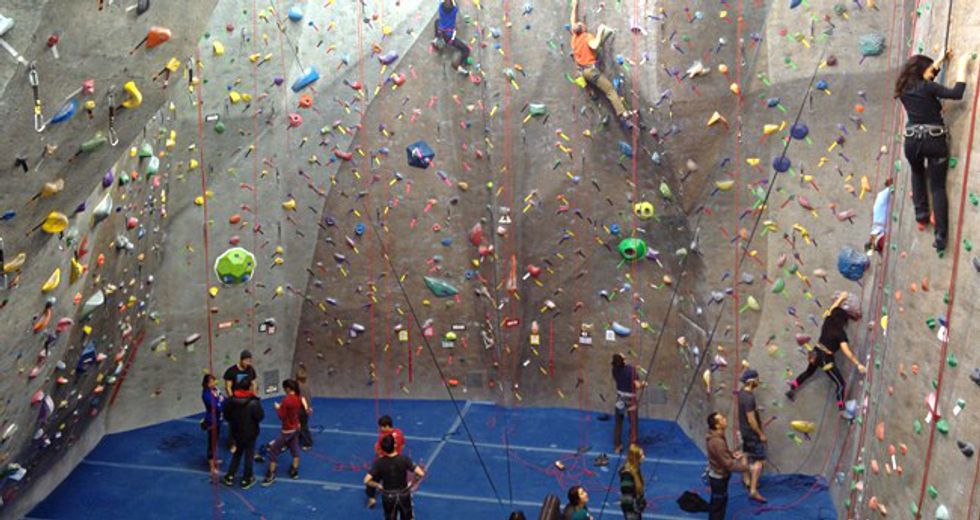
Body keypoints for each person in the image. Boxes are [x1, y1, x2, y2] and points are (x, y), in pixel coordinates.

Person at [895, 50, 973, 252]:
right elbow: (956, 93)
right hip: (934, 140)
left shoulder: (903, 89)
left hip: (912, 142)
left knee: (917, 172)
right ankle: (940, 236)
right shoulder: (928, 87)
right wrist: (963, 66)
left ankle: (921, 215)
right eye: (930, 70)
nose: (933, 73)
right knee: (937, 187)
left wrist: (939, 60)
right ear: (922, 71)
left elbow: (926, 77)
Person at [786, 296, 865, 415]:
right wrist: (858, 364)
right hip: (825, 359)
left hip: (815, 352)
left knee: (808, 372)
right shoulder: (840, 333)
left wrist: (841, 298)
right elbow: (847, 351)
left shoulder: (828, 321)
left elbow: (832, 308)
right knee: (840, 384)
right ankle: (841, 409)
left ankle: (792, 388)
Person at [569, 0, 636, 124]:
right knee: (610, 90)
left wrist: (574, 6)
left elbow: (572, 20)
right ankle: (623, 113)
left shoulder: (574, 37)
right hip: (591, 71)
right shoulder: (586, 37)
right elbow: (594, 45)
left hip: (582, 71)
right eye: (582, 24)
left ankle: (592, 93)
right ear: (583, 29)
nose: (584, 24)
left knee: (600, 88)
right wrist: (600, 30)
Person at [364, 434, 426, 520]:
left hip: (388, 495)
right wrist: (412, 483)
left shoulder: (379, 463)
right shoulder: (404, 459)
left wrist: (378, 485)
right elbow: (421, 473)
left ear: (383, 449)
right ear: (395, 445)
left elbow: (366, 480)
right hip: (403, 493)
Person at [705, 412, 749, 520]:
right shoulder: (717, 442)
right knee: (718, 503)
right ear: (717, 425)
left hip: (719, 475)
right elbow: (729, 465)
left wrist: (732, 454)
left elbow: (721, 454)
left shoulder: (718, 436)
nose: (725, 419)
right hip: (718, 478)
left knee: (720, 500)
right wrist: (748, 468)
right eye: (722, 419)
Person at [261, 379, 303, 486]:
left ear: (288, 388)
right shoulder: (298, 397)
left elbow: (282, 416)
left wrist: (278, 408)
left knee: (273, 451)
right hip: (296, 427)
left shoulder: (287, 400)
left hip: (287, 429)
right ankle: (294, 470)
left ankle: (271, 475)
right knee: (294, 447)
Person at [222, 386, 264, 489]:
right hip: (250, 433)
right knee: (249, 454)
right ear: (248, 388)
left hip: (237, 432)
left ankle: (230, 476)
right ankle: (247, 478)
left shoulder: (231, 401)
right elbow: (260, 417)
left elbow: (226, 416)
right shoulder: (253, 402)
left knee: (238, 453)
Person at [736, 369, 767, 503]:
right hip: (752, 434)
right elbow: (751, 420)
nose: (758, 382)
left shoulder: (742, 393)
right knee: (759, 461)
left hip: (744, 432)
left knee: (745, 454)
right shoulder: (749, 398)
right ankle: (753, 490)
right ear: (751, 381)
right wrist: (761, 434)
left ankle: (746, 480)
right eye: (757, 380)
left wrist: (755, 409)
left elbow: (747, 411)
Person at [367, 415, 407, 508]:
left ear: (387, 426)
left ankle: (372, 498)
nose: (380, 429)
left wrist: (377, 449)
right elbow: (403, 445)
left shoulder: (383, 437)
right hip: (397, 461)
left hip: (384, 462)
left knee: (370, 480)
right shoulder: (399, 432)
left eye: (381, 427)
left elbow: (379, 451)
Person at [611, 353, 645, 454]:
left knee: (618, 423)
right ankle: (632, 446)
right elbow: (637, 386)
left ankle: (617, 446)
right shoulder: (631, 370)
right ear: (624, 359)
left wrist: (633, 369)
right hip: (631, 399)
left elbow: (623, 375)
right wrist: (643, 384)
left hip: (620, 398)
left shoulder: (614, 369)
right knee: (633, 423)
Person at [433, 0, 471, 75]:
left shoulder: (440, 7)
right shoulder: (454, 10)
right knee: (466, 50)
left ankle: (437, 38)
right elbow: (456, 4)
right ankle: (457, 65)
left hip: (441, 31)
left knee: (437, 21)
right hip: (449, 37)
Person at [201, 374, 225, 471]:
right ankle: (211, 466)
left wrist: (222, 402)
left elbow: (223, 399)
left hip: (218, 419)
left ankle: (214, 459)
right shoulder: (206, 394)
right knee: (212, 443)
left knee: (215, 441)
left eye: (214, 381)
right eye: (211, 382)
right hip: (212, 420)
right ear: (207, 384)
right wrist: (221, 403)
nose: (214, 383)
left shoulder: (215, 390)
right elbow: (216, 406)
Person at [618, 444, 646, 519]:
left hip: (635, 507)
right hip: (631, 509)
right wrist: (636, 506)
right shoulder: (627, 474)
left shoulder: (635, 469)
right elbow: (626, 496)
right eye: (641, 455)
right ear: (635, 457)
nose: (644, 457)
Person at [296, 367, 313, 450]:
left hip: (301, 409)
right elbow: (308, 398)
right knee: (303, 424)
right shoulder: (306, 386)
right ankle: (300, 435)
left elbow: (302, 399)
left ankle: (308, 442)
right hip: (306, 408)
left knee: (303, 426)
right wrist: (309, 407)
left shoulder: (298, 387)